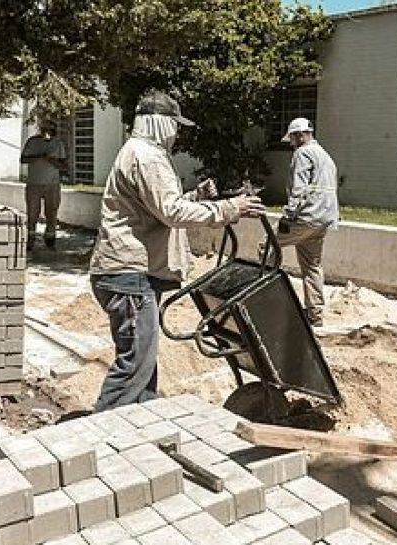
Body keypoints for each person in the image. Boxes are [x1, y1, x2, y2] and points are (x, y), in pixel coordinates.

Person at [89, 90, 265, 411]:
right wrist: (229, 208)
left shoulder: (138, 152)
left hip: (125, 271)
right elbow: (171, 213)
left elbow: (158, 208)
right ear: (160, 123)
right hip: (129, 273)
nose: (177, 132)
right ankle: (101, 435)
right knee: (133, 367)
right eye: (174, 124)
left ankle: (141, 422)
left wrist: (196, 196)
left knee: (142, 362)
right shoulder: (147, 157)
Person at [272, 117, 339, 327]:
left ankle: (266, 299)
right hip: (324, 218)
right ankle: (315, 313)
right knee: (312, 265)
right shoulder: (325, 155)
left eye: (292, 138)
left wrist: (289, 215)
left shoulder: (302, 153)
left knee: (267, 246)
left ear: (299, 135)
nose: (291, 142)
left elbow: (299, 189)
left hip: (307, 216)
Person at [20, 123, 68, 250]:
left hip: (52, 184)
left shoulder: (58, 144)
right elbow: (23, 159)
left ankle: (50, 240)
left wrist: (52, 160)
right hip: (34, 183)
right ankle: (30, 241)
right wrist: (39, 156)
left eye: (52, 129)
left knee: (51, 213)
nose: (49, 132)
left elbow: (64, 165)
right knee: (32, 213)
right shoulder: (32, 142)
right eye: (46, 129)